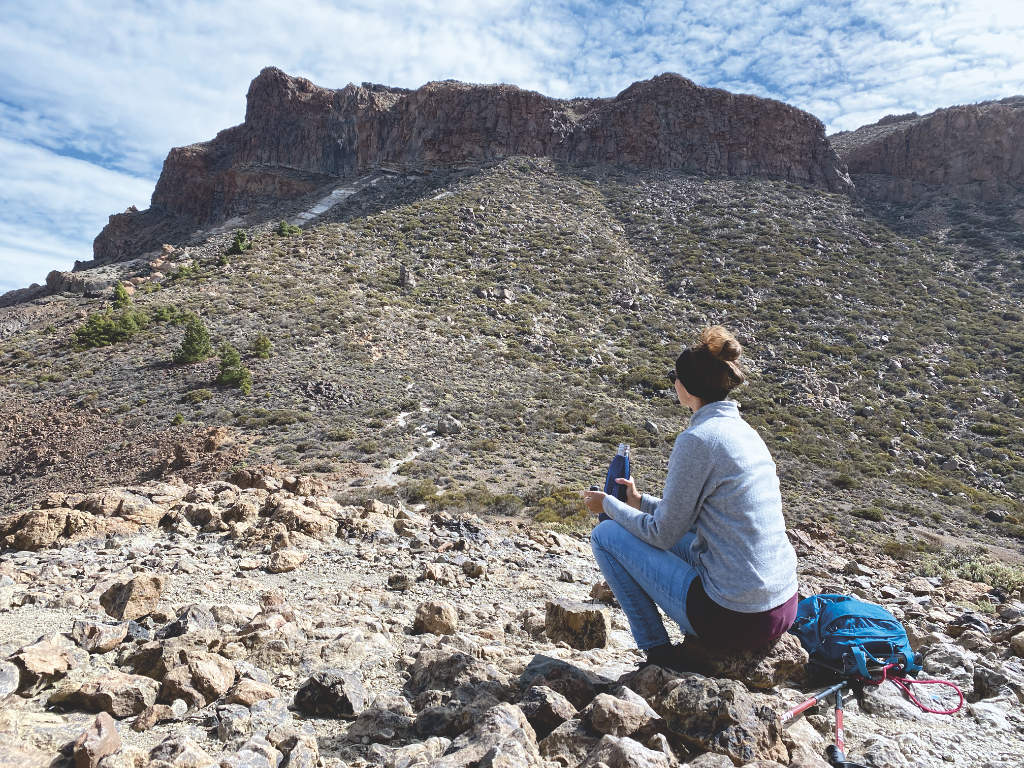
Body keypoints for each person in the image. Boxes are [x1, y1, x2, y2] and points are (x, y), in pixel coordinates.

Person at [582, 326, 798, 669]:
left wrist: (608, 504)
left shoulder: (697, 440)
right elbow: (695, 516)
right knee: (648, 528)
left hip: (734, 617)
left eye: (675, 378)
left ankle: (659, 656)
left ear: (686, 387)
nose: (673, 384)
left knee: (605, 535)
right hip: (781, 605)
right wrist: (639, 502)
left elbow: (662, 534)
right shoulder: (743, 431)